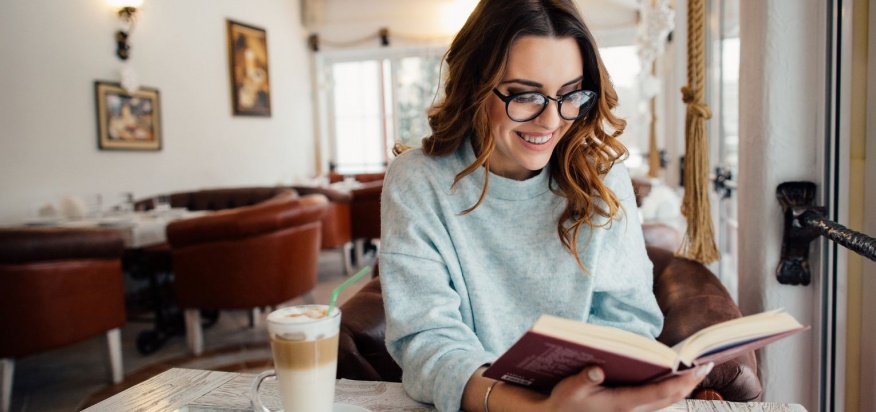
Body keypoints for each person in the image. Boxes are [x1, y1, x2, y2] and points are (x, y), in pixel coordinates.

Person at [378, 0, 712, 411]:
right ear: (474, 85)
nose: (551, 121)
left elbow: (629, 321)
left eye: (570, 95)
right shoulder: (418, 180)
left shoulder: (604, 179)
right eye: (524, 96)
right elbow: (426, 338)